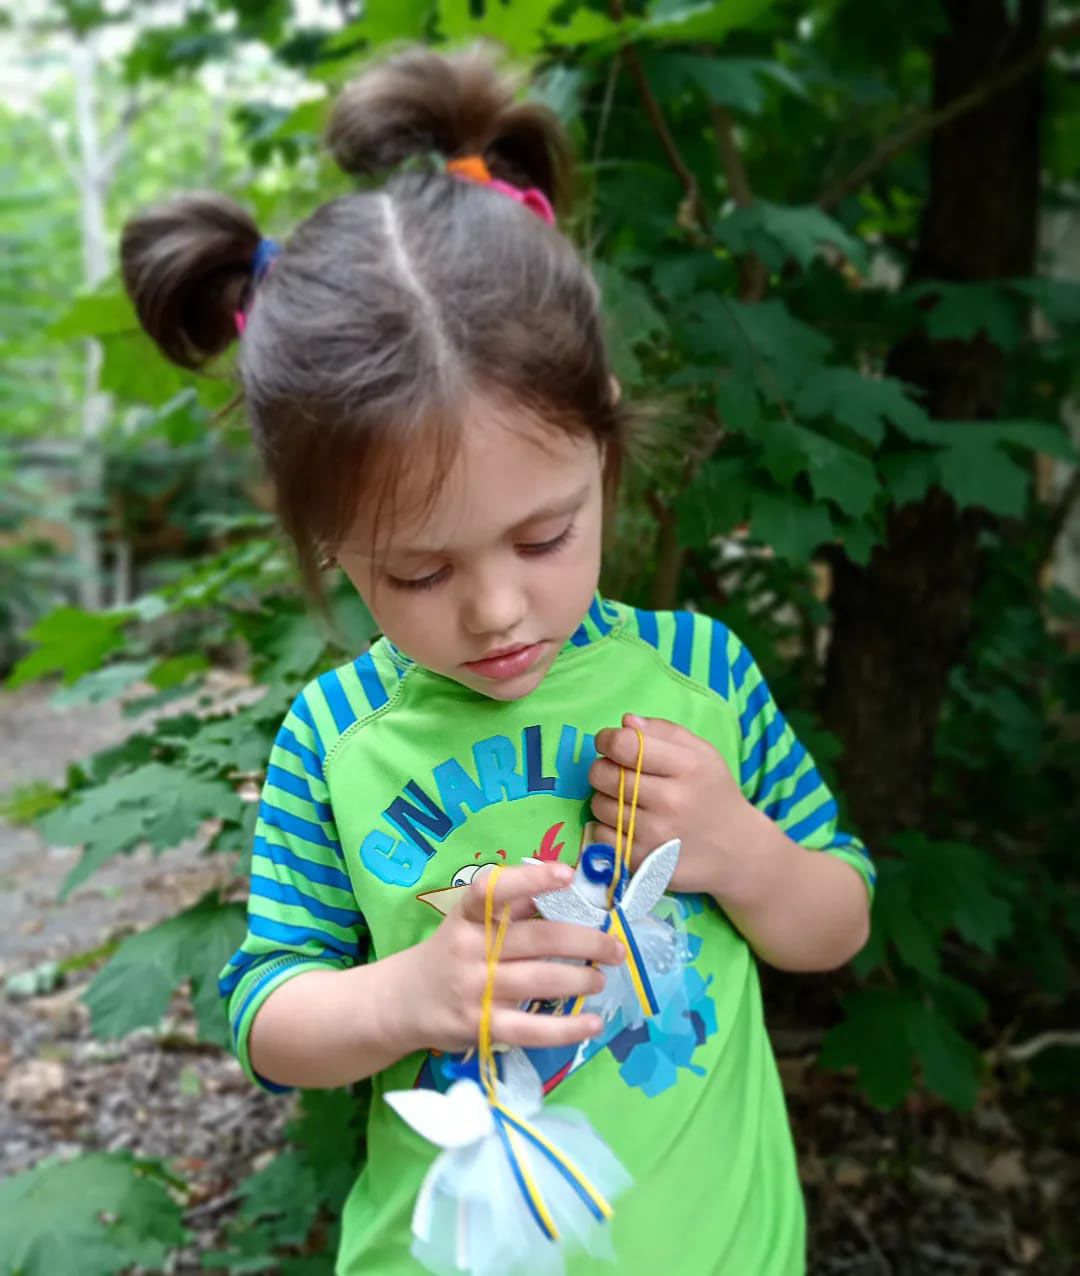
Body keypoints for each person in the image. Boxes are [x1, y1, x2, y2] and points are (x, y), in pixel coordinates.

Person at [121, 46, 874, 1276]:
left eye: (544, 534)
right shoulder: (336, 735)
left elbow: (836, 920)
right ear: (331, 543)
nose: (496, 608)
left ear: (606, 446)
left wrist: (742, 847)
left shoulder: (701, 674)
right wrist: (409, 995)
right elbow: (266, 1016)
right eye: (416, 572)